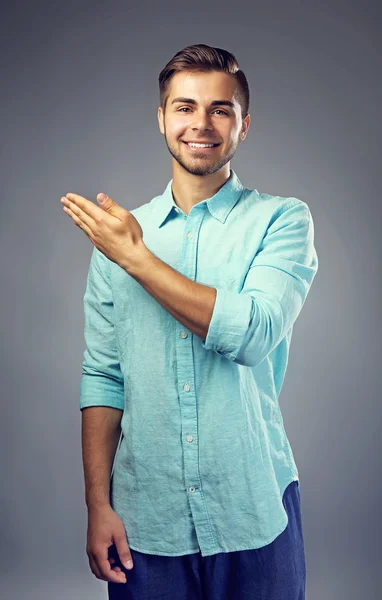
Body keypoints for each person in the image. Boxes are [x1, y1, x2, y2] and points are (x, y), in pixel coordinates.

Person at [79, 43, 318, 599]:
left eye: (220, 109)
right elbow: (103, 377)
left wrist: (137, 259)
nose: (201, 124)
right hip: (146, 516)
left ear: (244, 123)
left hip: (253, 506)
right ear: (161, 118)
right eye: (184, 107)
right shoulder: (118, 237)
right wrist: (97, 505)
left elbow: (253, 333)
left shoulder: (282, 220)